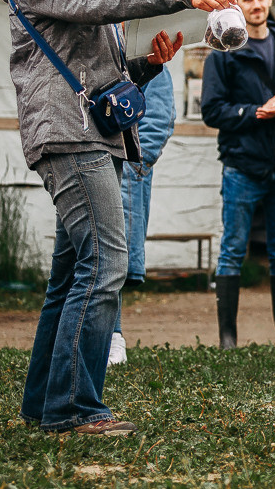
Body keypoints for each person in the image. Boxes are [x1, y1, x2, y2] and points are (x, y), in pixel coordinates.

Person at [0, 0, 235, 435]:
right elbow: (102, 0)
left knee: (73, 272)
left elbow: (84, 55)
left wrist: (143, 67)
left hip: (89, 130)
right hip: (70, 137)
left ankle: (44, 403)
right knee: (106, 264)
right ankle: (75, 409)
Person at [202, 0, 275, 350]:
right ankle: (228, 337)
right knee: (233, 249)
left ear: (270, 0)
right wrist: (255, 112)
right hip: (242, 166)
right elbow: (212, 110)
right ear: (236, 3)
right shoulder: (223, 51)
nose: (257, 5)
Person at [108, 68, 175, 366]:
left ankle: (113, 336)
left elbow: (159, 116)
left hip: (123, 171)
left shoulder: (146, 52)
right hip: (83, 167)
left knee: (112, 256)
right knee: (84, 255)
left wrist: (134, 163)